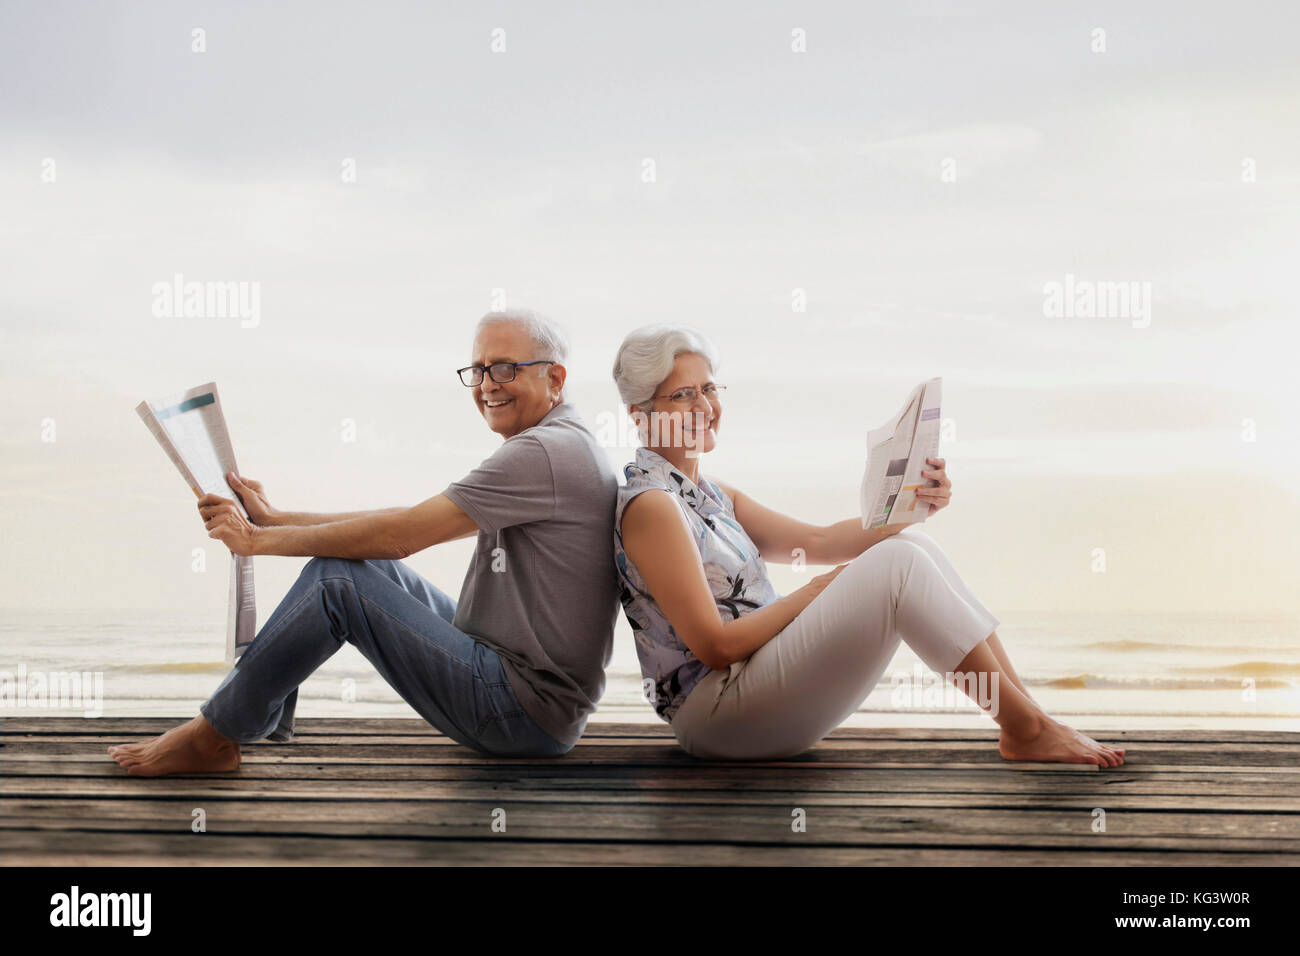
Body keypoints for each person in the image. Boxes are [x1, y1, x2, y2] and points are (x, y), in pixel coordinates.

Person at [109, 309, 619, 775]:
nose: (487, 384)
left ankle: (214, 738)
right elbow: (409, 521)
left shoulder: (544, 452)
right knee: (360, 567)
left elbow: (401, 536)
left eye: (505, 368)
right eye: (478, 370)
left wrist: (255, 541)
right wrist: (276, 520)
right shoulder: (559, 445)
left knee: (338, 582)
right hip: (522, 694)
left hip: (520, 714)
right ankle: (245, 720)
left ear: (555, 377)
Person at [610, 324, 1127, 765]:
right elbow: (713, 647)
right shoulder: (654, 505)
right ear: (639, 414)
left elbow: (820, 540)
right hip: (718, 714)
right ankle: (1026, 727)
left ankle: (1027, 721)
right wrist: (815, 593)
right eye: (683, 395)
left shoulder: (711, 495)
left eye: (709, 388)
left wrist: (916, 505)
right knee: (900, 561)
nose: (705, 406)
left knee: (915, 548)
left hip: (758, 690)